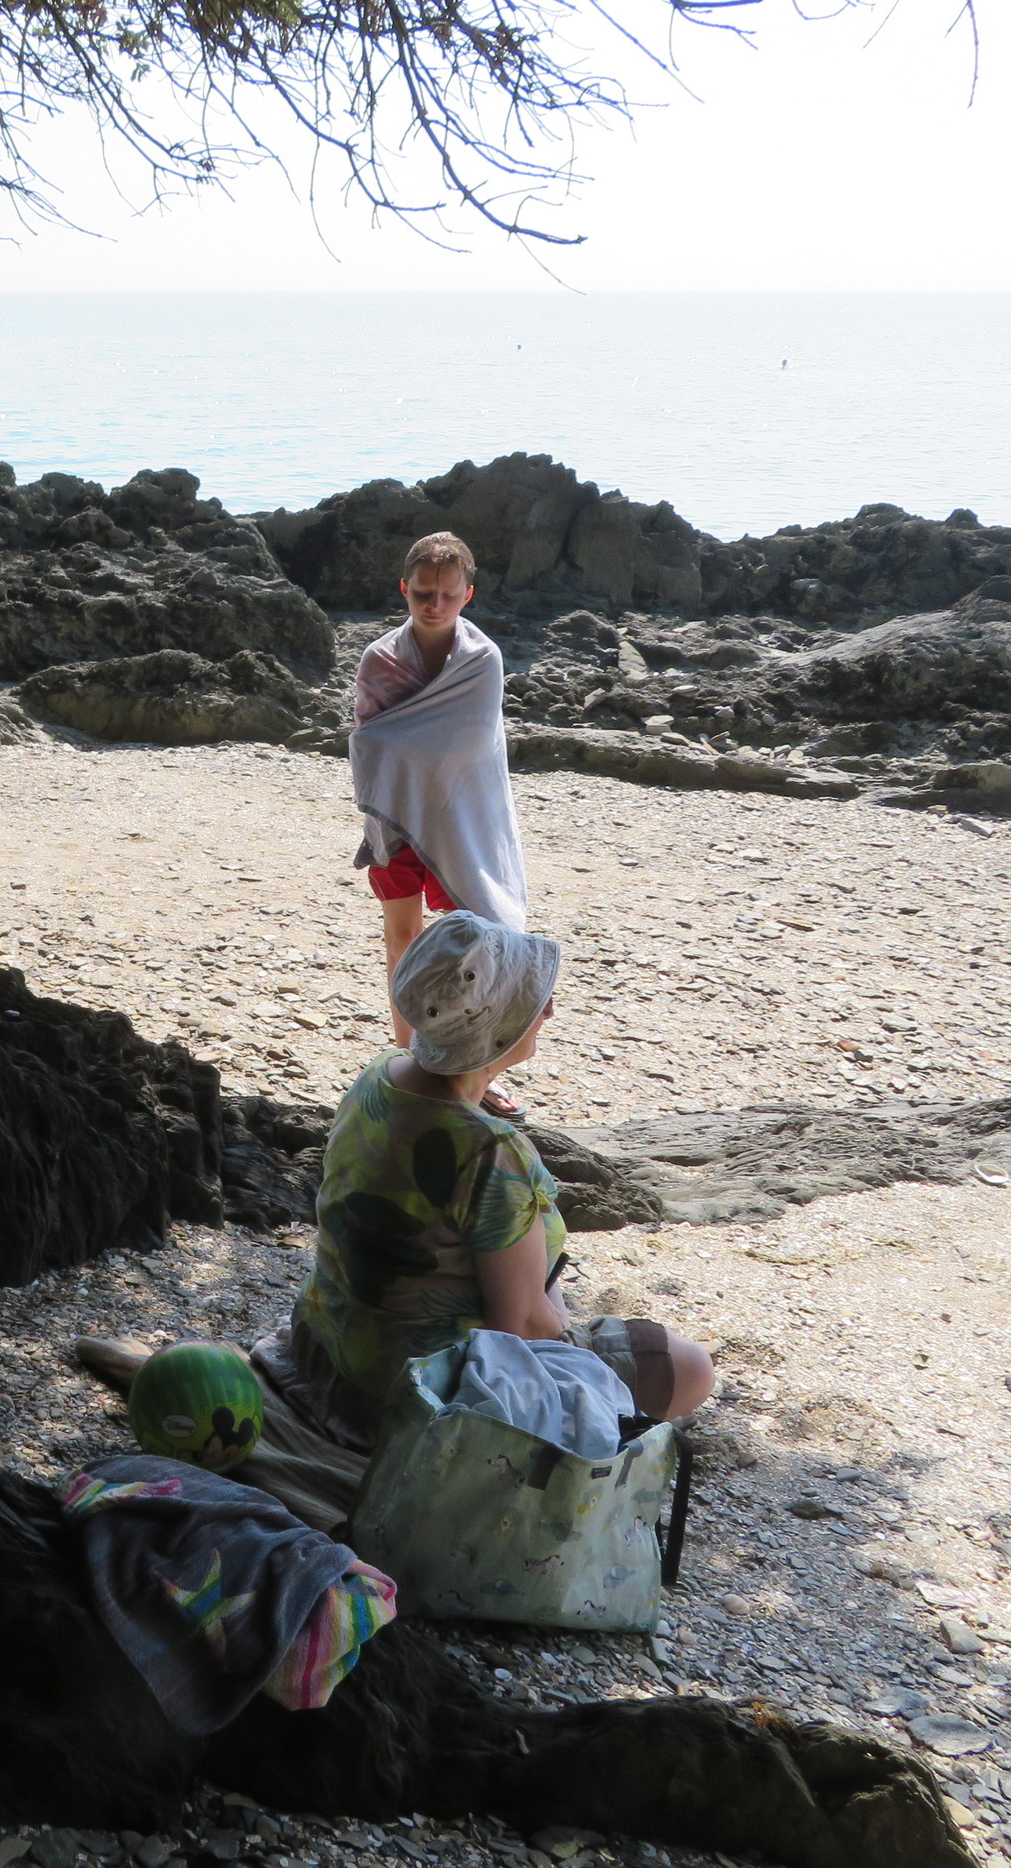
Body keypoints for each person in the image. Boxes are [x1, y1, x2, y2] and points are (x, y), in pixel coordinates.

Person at [274, 909, 714, 1447]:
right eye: (531, 1001)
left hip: (330, 1351)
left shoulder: (378, 1076)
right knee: (691, 1368)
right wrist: (575, 1348)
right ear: (496, 1028)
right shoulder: (490, 1151)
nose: (548, 1010)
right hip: (416, 1394)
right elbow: (521, 1329)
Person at [350, 532, 528, 1054]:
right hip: (395, 817)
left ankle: (462, 1060)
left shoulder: (483, 659)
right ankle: (409, 1056)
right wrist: (413, 748)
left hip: (460, 818)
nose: (435, 605)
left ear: (467, 595)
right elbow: (368, 744)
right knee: (402, 939)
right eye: (423, 593)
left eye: (449, 595)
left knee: (472, 945)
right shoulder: (380, 660)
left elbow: (470, 746)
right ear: (404, 589)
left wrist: (406, 747)